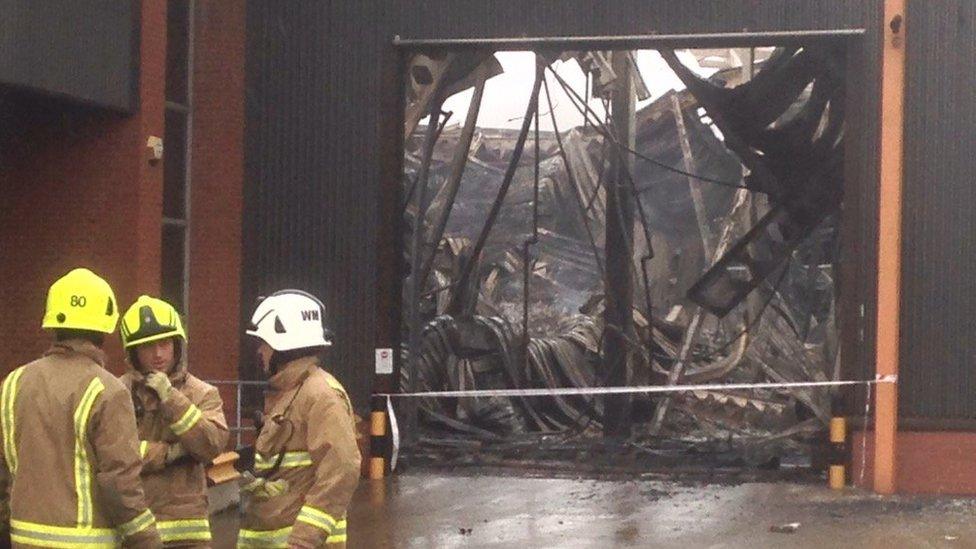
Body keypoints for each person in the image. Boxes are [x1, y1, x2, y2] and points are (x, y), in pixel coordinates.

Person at [0, 268, 161, 547]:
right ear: (104, 327)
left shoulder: (13, 383)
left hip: (22, 539)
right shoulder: (108, 390)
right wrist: (146, 539)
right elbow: (119, 484)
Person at [237, 290, 360, 548]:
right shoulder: (292, 392)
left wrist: (302, 542)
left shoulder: (321, 396)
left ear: (284, 343)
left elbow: (341, 471)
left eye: (264, 343)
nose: (260, 351)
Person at [119, 295, 229, 547]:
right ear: (133, 352)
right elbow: (115, 456)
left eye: (165, 344)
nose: (158, 354)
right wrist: (170, 453)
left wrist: (170, 397)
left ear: (177, 345)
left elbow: (210, 446)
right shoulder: (117, 393)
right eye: (147, 346)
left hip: (187, 534)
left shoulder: (202, 393)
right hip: (133, 528)